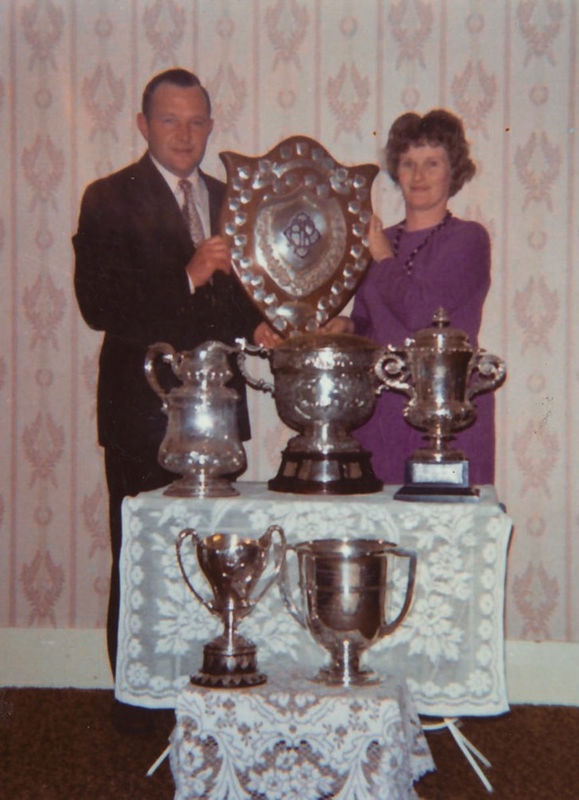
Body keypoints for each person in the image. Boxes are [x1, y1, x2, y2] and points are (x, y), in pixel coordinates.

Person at [73, 69, 278, 727]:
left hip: (216, 412)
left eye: (196, 122)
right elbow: (97, 304)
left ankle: (207, 696)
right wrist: (187, 275)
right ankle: (139, 706)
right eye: (169, 120)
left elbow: (237, 298)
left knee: (211, 557)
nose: (184, 135)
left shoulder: (227, 198)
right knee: (143, 554)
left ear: (210, 127)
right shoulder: (108, 197)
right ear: (143, 125)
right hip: (140, 411)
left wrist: (262, 328)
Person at [327, 109, 494, 486]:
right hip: (381, 411)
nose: (418, 176)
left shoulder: (468, 238)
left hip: (446, 409)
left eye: (432, 163)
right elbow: (369, 320)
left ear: (453, 171)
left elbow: (423, 315)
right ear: (396, 172)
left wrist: (383, 257)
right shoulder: (382, 241)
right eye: (408, 164)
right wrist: (347, 326)